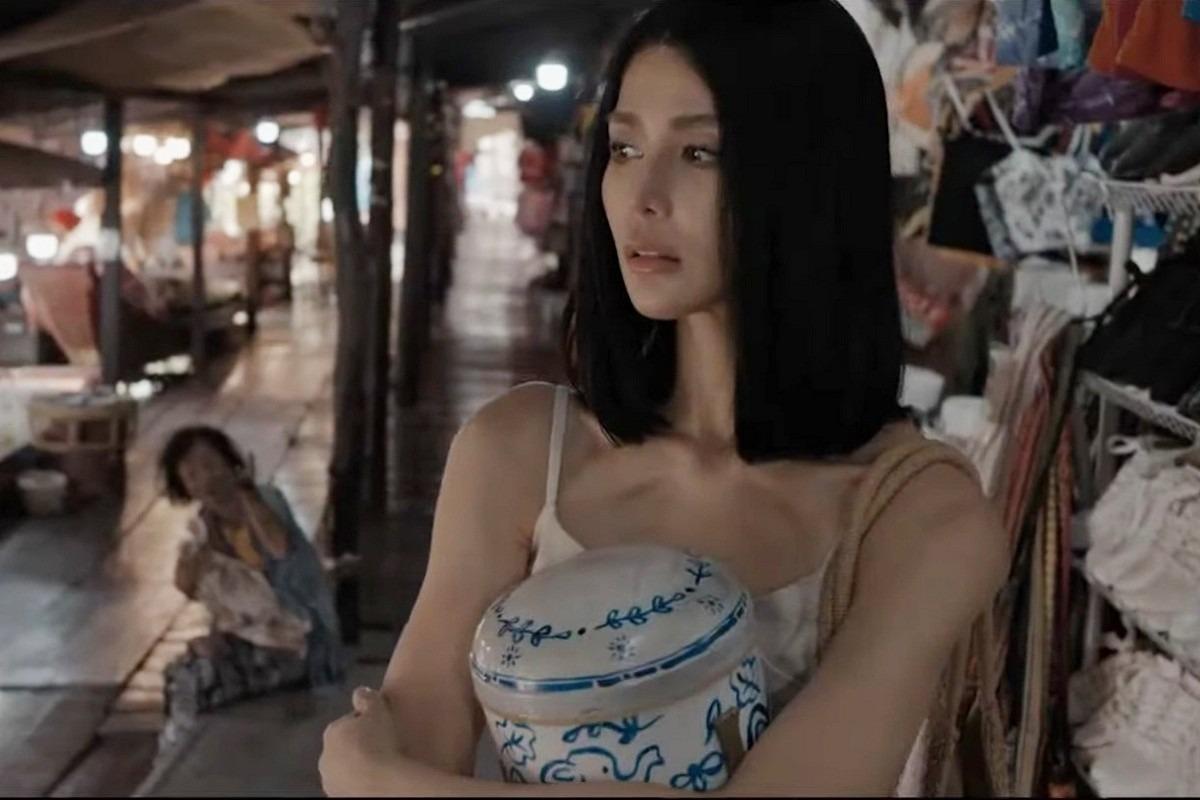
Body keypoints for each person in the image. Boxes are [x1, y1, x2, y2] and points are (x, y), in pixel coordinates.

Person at [319, 0, 1008, 795]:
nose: (640, 195)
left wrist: (380, 778)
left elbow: (384, 776)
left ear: (809, 175)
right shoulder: (520, 450)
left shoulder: (921, 516)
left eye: (700, 153)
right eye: (624, 146)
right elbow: (421, 735)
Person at [159, 426, 344, 744]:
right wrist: (196, 556)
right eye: (191, 475)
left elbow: (280, 548)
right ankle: (177, 752)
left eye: (209, 465)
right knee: (180, 673)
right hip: (248, 637)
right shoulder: (203, 527)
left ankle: (183, 753)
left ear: (230, 463)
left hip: (298, 640)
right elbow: (188, 587)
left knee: (202, 679)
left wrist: (247, 494)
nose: (205, 479)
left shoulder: (264, 500)